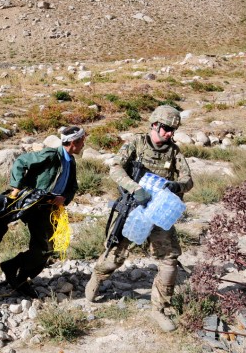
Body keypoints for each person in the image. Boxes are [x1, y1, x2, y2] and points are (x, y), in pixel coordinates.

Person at [84, 105, 193, 332]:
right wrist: (134, 189)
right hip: (134, 208)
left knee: (169, 260)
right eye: (166, 129)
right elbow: (115, 168)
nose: (169, 134)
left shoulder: (174, 152)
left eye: (173, 130)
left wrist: (177, 185)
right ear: (154, 124)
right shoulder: (136, 144)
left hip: (159, 212)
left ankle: (159, 309)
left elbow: (188, 179)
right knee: (115, 255)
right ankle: (97, 277)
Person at [0, 126, 86, 298]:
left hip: (52, 209)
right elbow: (21, 162)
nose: (84, 144)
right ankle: (14, 268)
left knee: (46, 247)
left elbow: (73, 186)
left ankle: (21, 278)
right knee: (46, 248)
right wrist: (16, 187)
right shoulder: (52, 155)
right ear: (73, 142)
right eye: (82, 141)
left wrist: (64, 198)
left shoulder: (71, 160)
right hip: (37, 206)